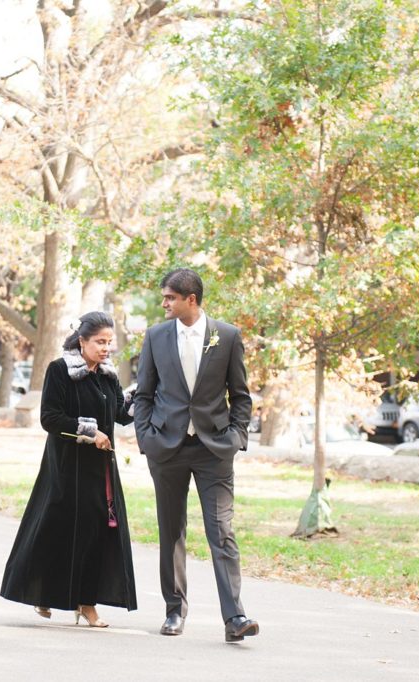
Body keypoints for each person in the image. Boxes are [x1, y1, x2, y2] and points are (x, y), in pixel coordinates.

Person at [133, 268, 258, 643]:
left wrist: (235, 436)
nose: (164, 303)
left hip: (213, 449)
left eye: (170, 297)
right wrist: (146, 438)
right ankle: (174, 611)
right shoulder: (155, 336)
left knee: (222, 532)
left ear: (191, 299)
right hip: (166, 448)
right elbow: (144, 394)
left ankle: (234, 617)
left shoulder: (227, 336)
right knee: (171, 532)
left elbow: (241, 395)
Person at [0, 312, 136, 628]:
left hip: (100, 471)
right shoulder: (60, 370)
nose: (106, 348)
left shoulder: (108, 375)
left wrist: (142, 398)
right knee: (56, 530)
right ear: (82, 341)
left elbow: (119, 413)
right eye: (100, 342)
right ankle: (44, 591)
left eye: (109, 342)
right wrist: (90, 432)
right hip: (65, 469)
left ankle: (87, 604)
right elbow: (50, 417)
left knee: (96, 533)